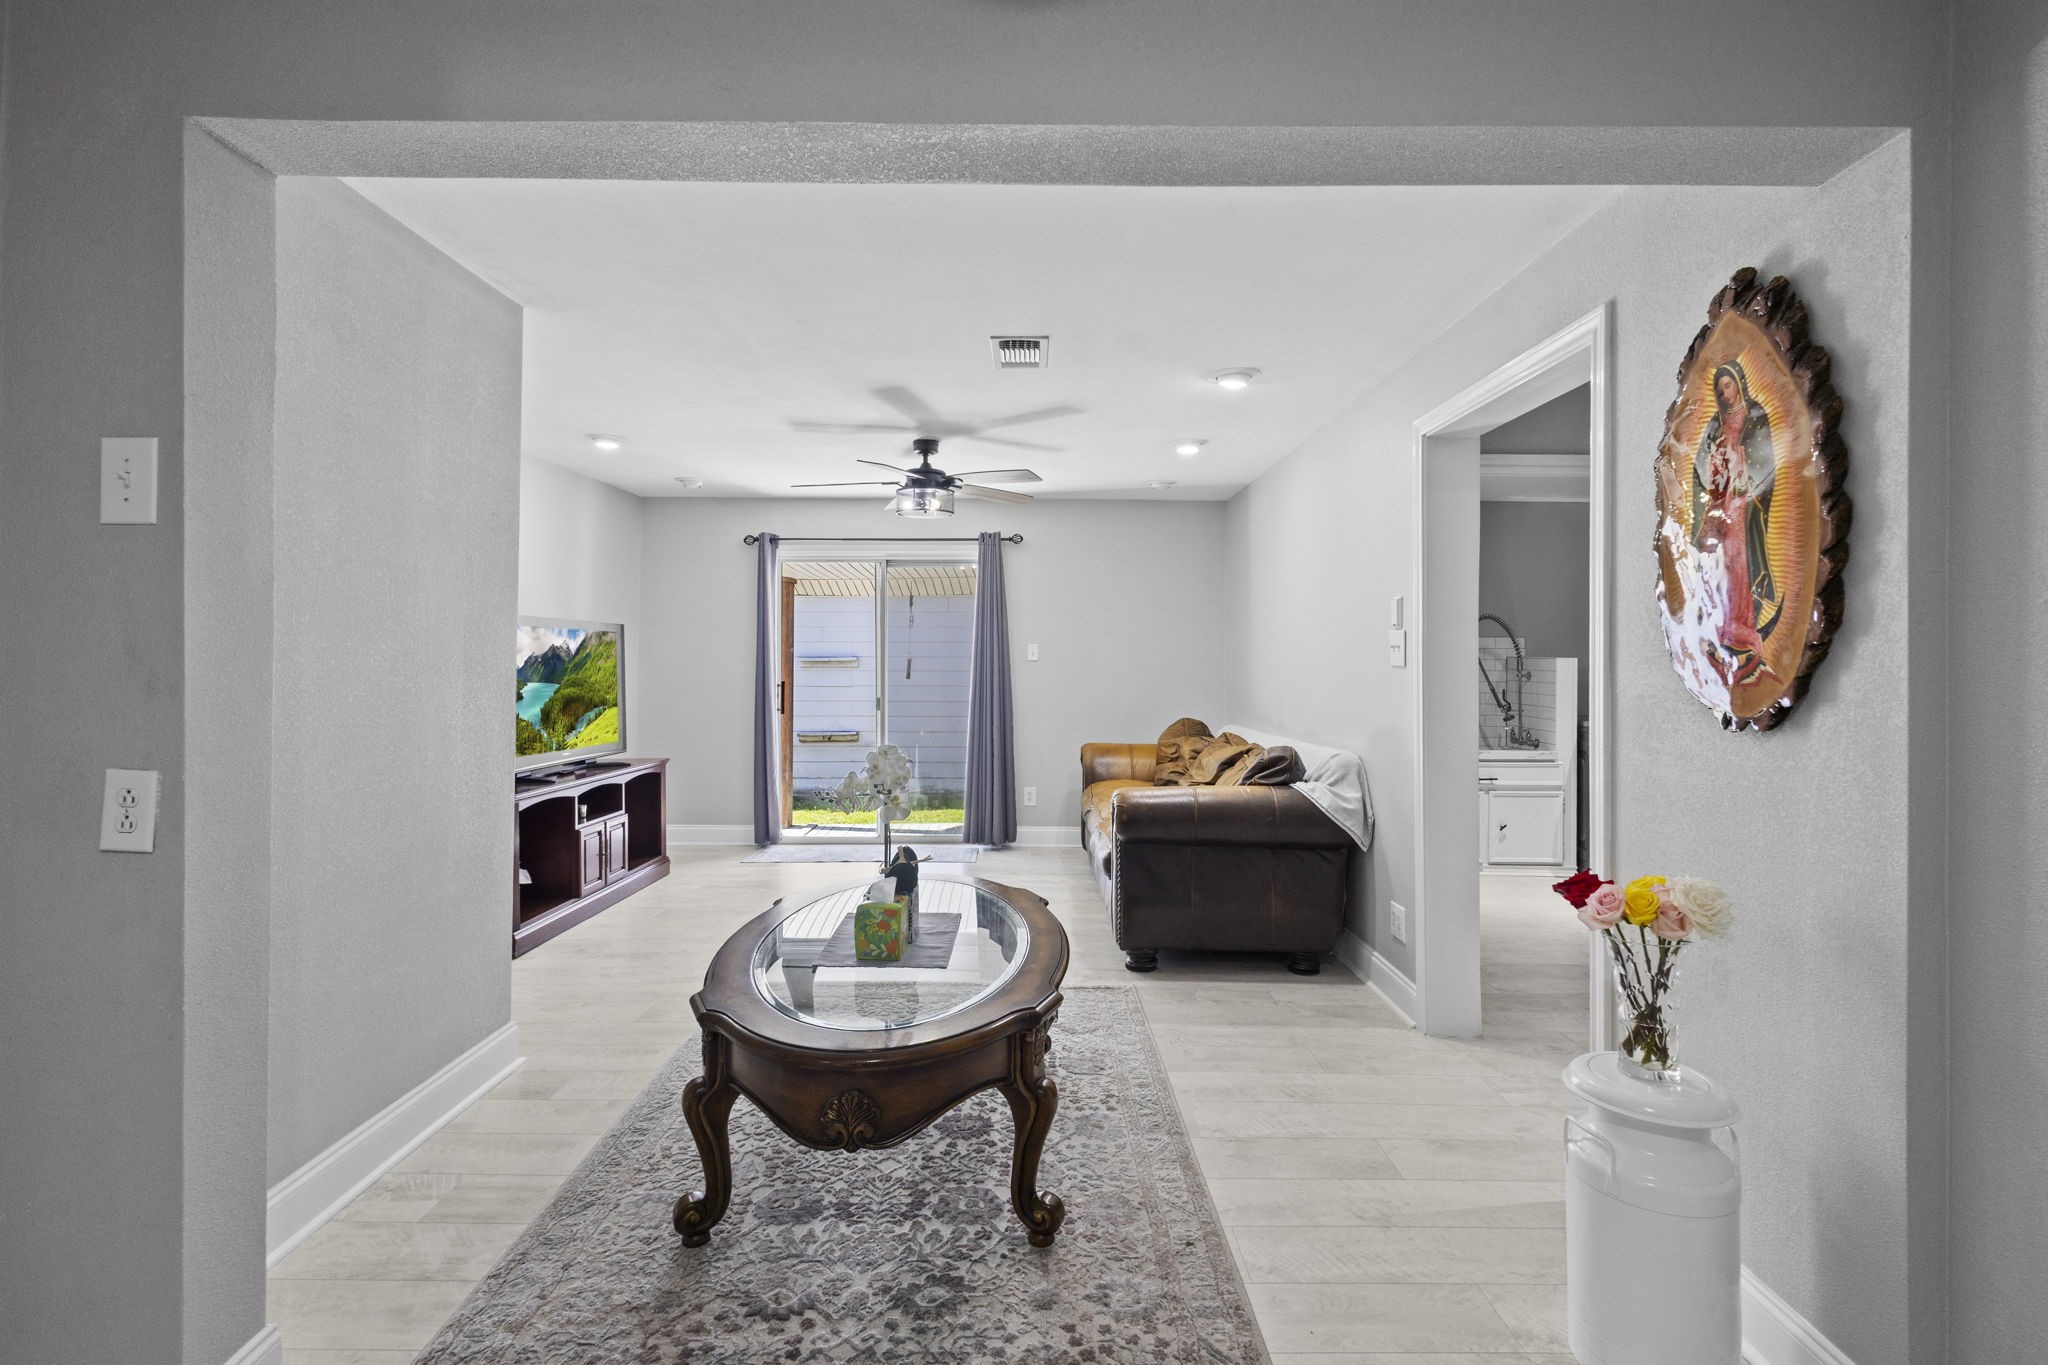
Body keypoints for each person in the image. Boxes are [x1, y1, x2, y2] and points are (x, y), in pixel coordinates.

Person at [1690, 360, 1781, 684]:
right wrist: (1717, 456)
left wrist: (1738, 458)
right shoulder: (1715, 423)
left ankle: (1742, 633)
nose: (1725, 393)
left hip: (1742, 501)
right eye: (1720, 388)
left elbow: (1765, 462)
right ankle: (1722, 631)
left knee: (1740, 564)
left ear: (1740, 383)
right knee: (1720, 567)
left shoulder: (1755, 417)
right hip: (1720, 503)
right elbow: (1700, 471)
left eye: (1728, 385)